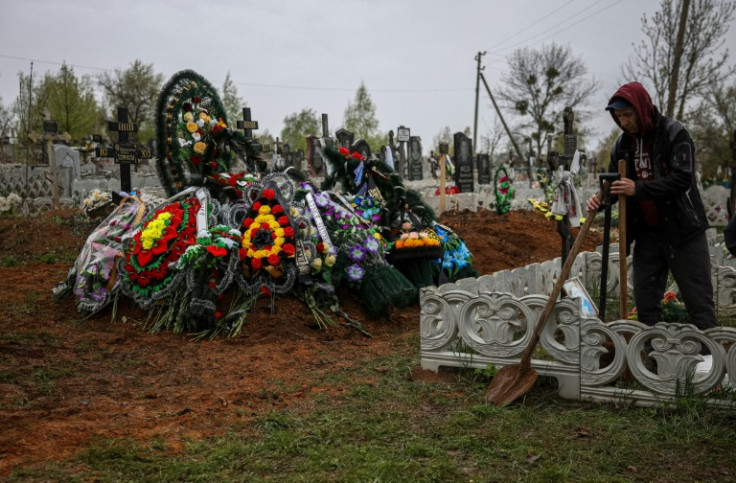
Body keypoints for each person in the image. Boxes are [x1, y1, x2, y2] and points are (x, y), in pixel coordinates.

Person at [586, 82, 718, 348]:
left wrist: (639, 188)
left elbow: (682, 179)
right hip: (647, 234)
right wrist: (601, 198)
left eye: (628, 115)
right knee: (646, 305)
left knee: (699, 305)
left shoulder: (673, 133)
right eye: (618, 117)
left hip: (683, 232)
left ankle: (710, 370)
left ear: (642, 109)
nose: (623, 122)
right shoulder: (622, 145)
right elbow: (615, 185)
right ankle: (654, 362)